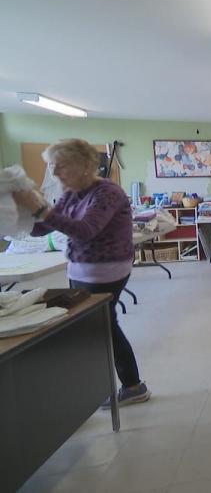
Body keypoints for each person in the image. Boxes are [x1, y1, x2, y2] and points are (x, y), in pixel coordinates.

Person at [13, 139, 150, 407]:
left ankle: (131, 385)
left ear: (86, 166)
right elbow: (42, 229)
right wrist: (25, 211)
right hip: (82, 269)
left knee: (102, 328)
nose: (54, 174)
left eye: (61, 166)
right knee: (101, 328)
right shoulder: (72, 193)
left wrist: (41, 209)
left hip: (106, 271)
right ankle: (128, 385)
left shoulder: (107, 193)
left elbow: (86, 230)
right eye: (53, 166)